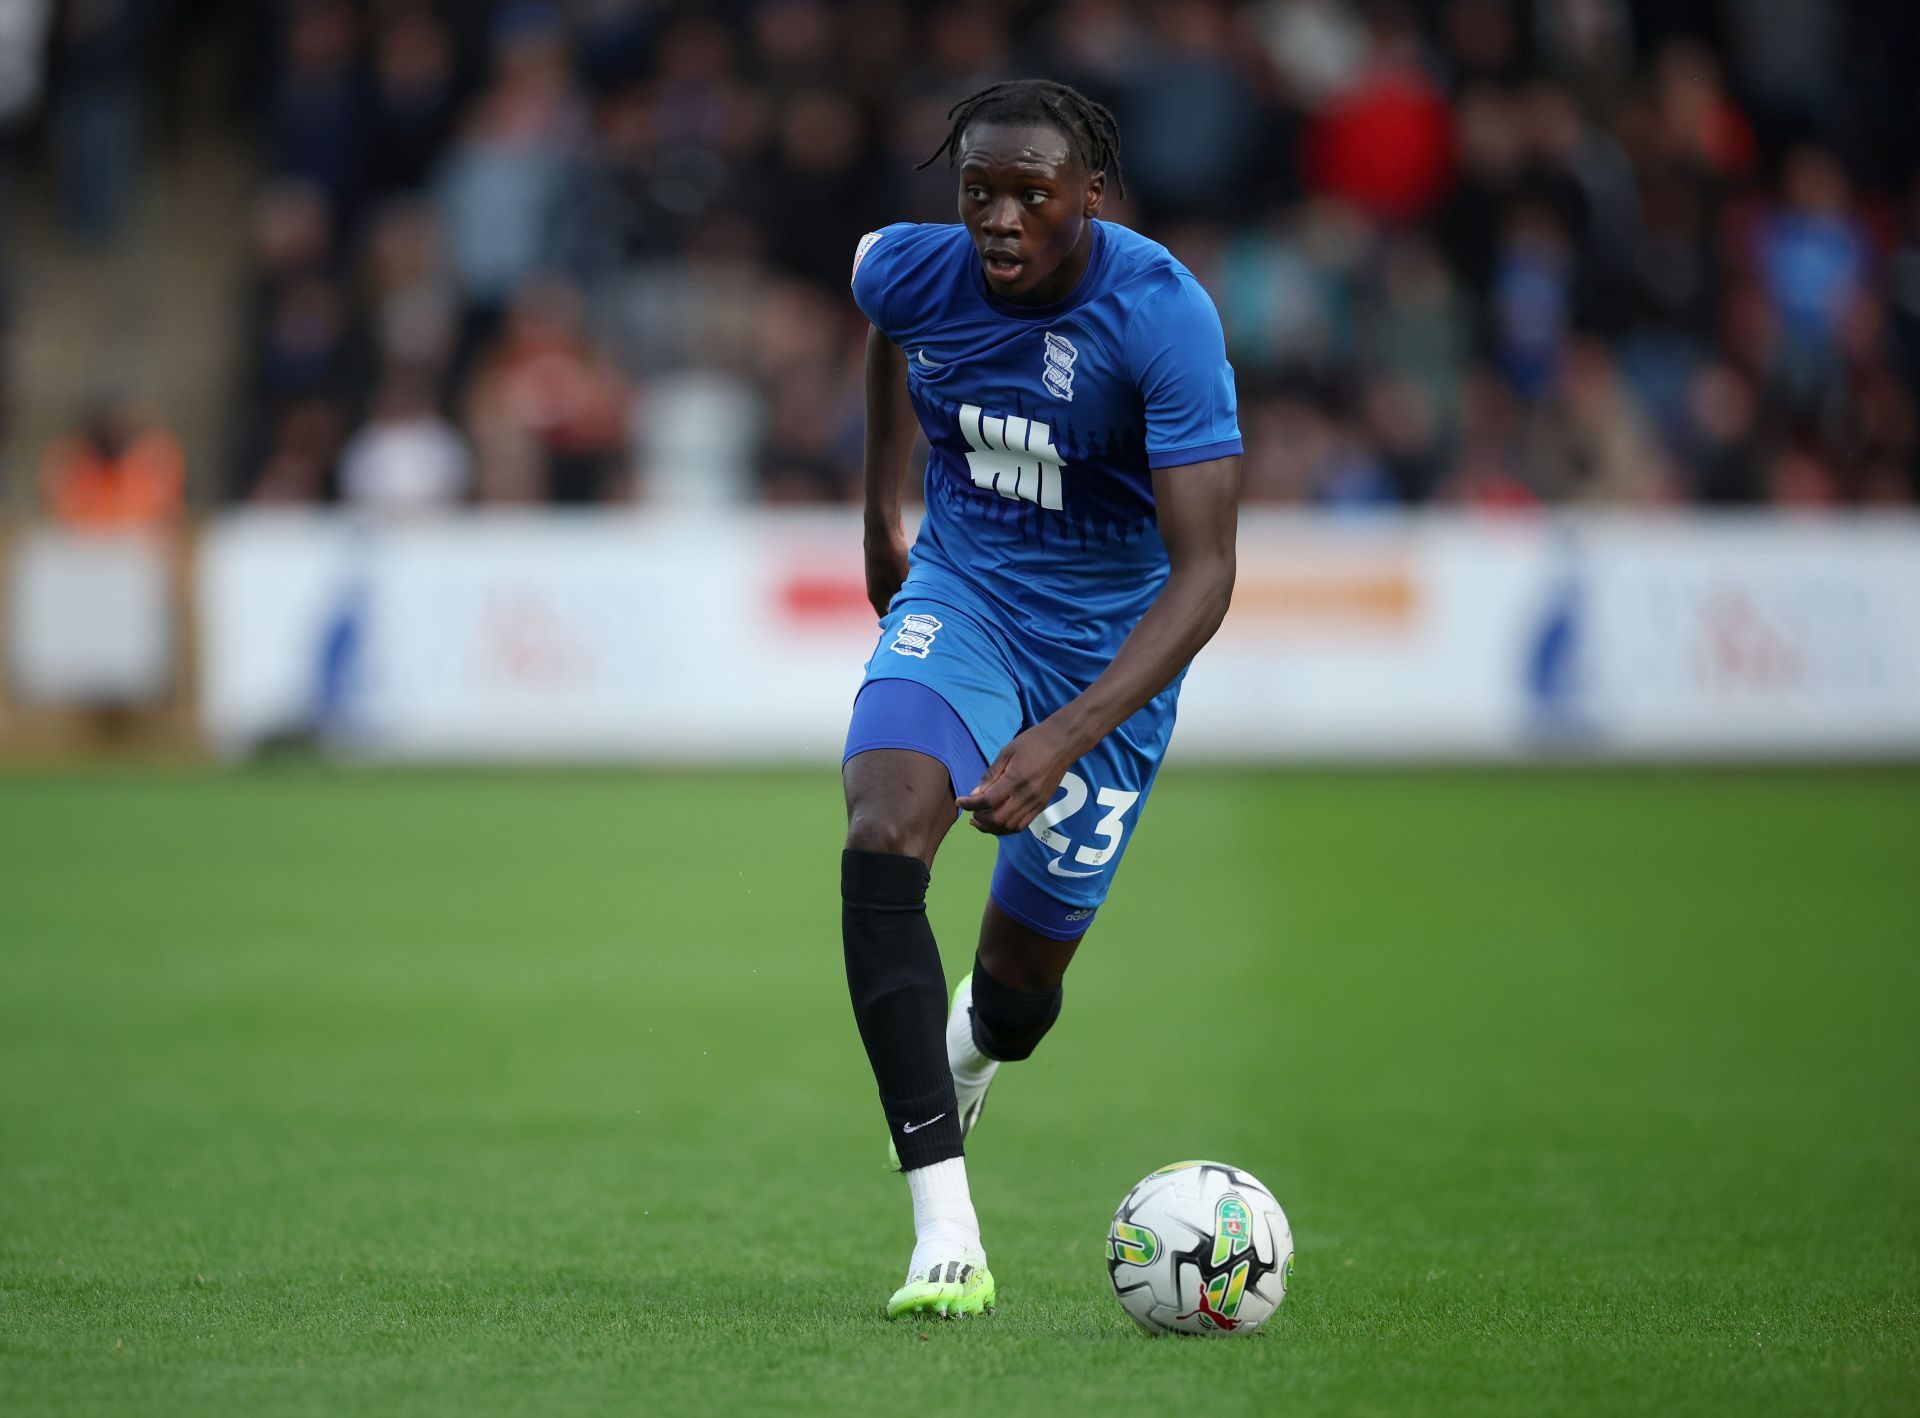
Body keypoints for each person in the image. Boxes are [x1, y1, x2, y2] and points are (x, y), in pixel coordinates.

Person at [840, 79, 1242, 1319]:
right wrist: (881, 504)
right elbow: (885, 321)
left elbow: (1209, 572)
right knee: (882, 825)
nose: (1000, 218)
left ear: (1089, 198)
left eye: (1031, 193)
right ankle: (943, 1227)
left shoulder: (1160, 314)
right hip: (963, 596)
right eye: (978, 192)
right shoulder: (910, 270)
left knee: (1017, 1000)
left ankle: (972, 1045)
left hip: (1107, 656)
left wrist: (1066, 736)